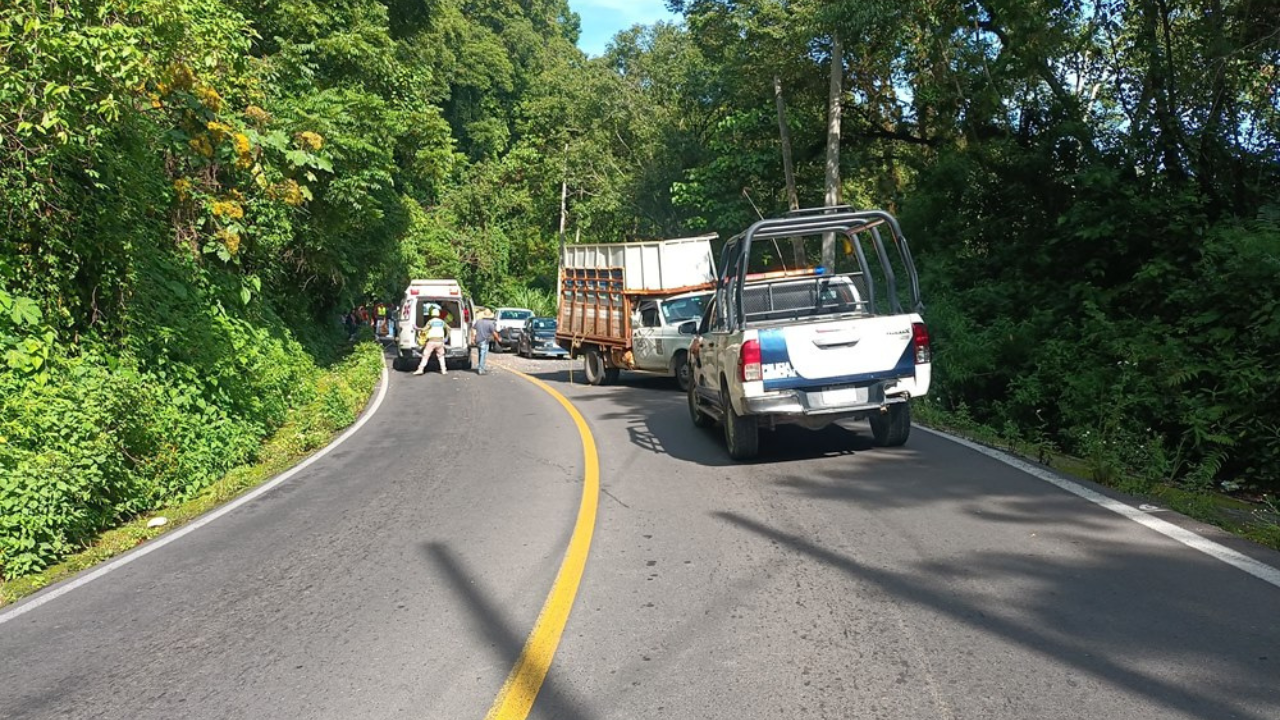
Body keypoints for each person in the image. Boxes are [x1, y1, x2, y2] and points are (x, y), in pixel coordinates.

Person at [414, 307, 450, 376]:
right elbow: (448, 328)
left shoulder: (430, 322)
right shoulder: (442, 322)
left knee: (426, 355)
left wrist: (417, 328)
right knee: (441, 356)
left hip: (431, 341)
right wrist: (446, 337)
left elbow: (424, 329)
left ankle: (420, 369)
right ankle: (444, 370)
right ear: (438, 314)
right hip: (440, 341)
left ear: (431, 314)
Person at [470, 308, 501, 375]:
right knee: (483, 355)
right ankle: (481, 369)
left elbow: (473, 328)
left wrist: (473, 337)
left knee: (480, 354)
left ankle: (480, 367)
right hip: (485, 340)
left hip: (478, 340)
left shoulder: (478, 321)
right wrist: (498, 339)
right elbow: (494, 333)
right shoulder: (490, 323)